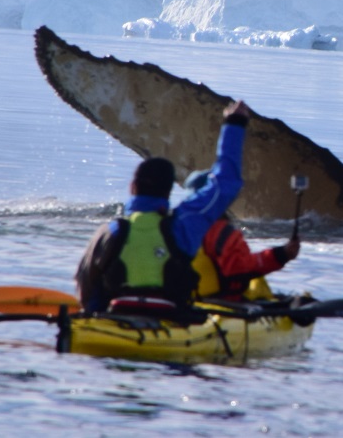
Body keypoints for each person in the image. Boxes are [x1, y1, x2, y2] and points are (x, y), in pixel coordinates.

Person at [75, 99, 255, 314]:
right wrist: (234, 124)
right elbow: (225, 184)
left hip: (114, 319)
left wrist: (93, 315)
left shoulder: (111, 231)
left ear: (132, 187)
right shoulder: (182, 225)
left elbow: (85, 282)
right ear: (169, 191)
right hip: (171, 320)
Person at [183, 168, 300, 302]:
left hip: (185, 301)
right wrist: (281, 254)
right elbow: (239, 268)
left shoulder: (174, 225)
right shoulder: (220, 230)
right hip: (219, 304)